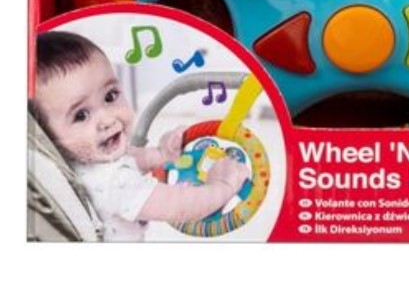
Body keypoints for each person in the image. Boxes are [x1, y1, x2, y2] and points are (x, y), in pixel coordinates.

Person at [30, 30, 249, 241]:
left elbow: (129, 157)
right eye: (81, 115)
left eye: (110, 96)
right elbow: (181, 207)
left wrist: (161, 154)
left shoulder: (78, 161)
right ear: (46, 134)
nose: (108, 119)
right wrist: (223, 185)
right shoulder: (113, 183)